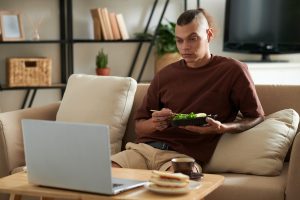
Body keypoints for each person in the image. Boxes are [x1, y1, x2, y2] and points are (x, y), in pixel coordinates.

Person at [111, 8, 264, 171]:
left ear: (209, 35)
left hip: (182, 157)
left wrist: (223, 128)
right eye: (179, 40)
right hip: (142, 151)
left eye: (192, 39)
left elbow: (256, 116)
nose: (185, 47)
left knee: (176, 189)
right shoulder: (164, 75)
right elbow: (139, 126)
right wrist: (155, 123)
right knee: (101, 176)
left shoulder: (233, 70)